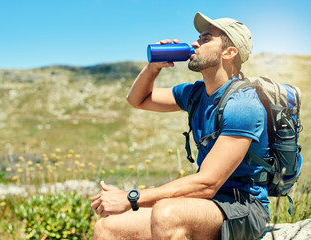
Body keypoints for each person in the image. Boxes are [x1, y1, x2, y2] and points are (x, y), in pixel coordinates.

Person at [91, 12, 270, 240]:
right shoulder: (195, 93)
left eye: (206, 39)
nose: (195, 43)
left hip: (245, 207)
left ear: (229, 52)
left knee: (167, 214)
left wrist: (131, 197)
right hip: (207, 204)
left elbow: (207, 183)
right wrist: (153, 67)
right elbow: (138, 99)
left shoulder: (243, 105)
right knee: (107, 228)